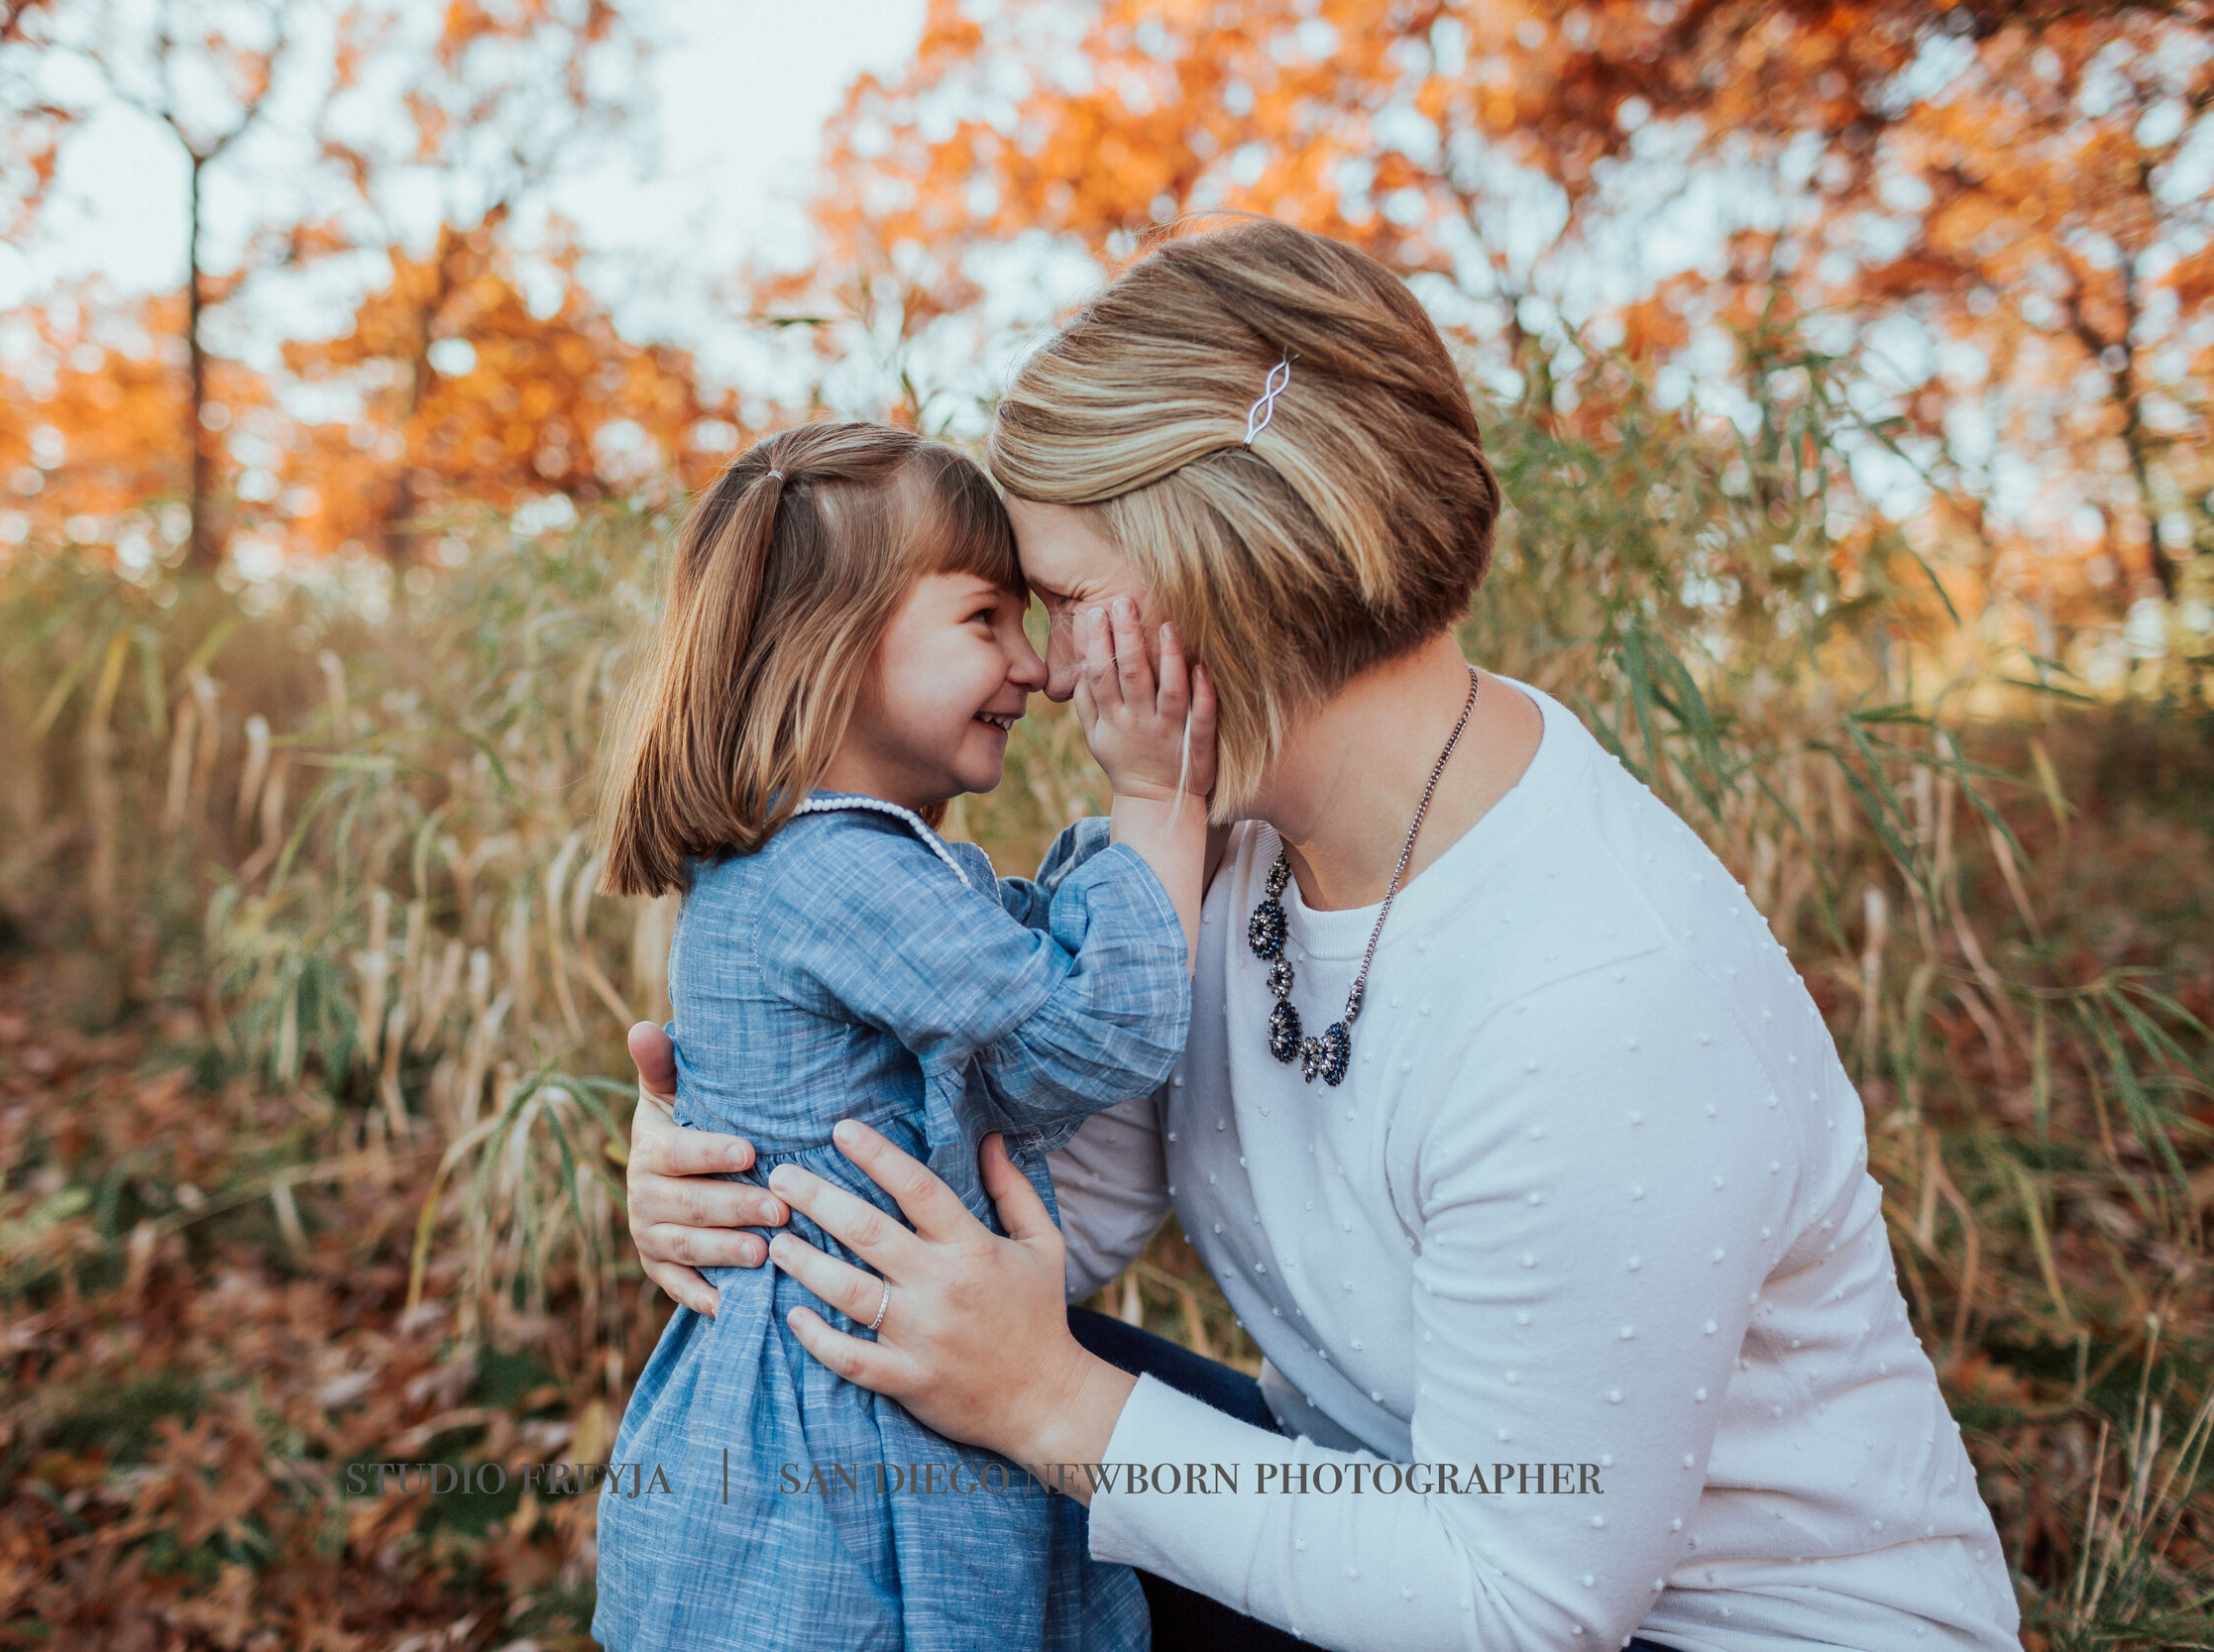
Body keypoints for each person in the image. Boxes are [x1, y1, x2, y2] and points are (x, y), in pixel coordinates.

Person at [620, 221, 2024, 1652]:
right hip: (1385, 1513)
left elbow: (1521, 1598)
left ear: (1220, 568)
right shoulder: (1228, 840)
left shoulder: (1596, 994)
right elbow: (1067, 1211)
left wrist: (1053, 1399)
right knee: (877, 1420)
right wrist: (768, 1164)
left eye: (1069, 599)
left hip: (1683, 1626)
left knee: (1007, 1414)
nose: (1042, 670)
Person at [588, 420, 1220, 1652]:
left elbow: (1023, 1037)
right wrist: (1156, 799)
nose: (1032, 669)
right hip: (842, 1458)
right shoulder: (834, 875)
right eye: (985, 618)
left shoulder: (827, 860)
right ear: (829, 644)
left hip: (834, 1401)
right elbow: (1097, 1029)